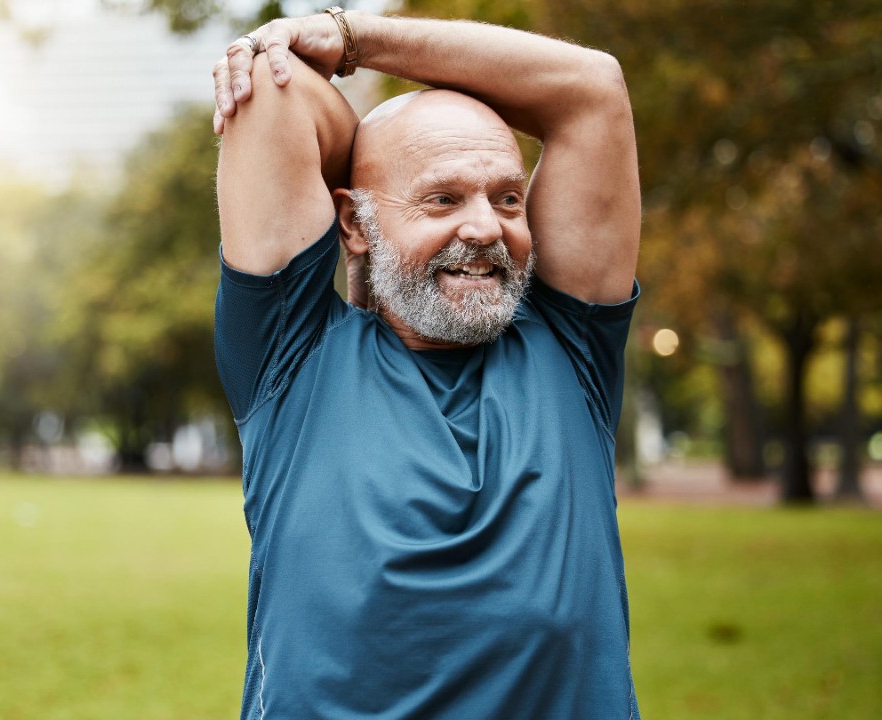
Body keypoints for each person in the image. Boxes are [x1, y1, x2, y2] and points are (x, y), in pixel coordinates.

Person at [211, 8, 641, 719]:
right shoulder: (293, 359)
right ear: (352, 221)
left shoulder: (572, 345)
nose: (484, 227)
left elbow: (592, 88)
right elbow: (271, 86)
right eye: (441, 199)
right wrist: (375, 186)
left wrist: (355, 41)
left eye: (508, 198)